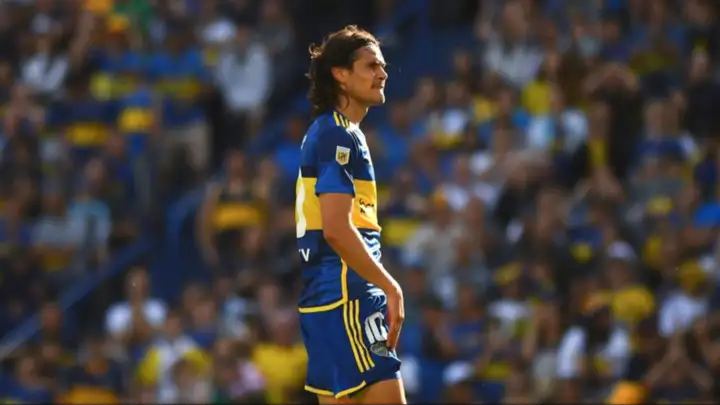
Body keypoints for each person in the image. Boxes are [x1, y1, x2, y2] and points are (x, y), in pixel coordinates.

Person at [295, 25, 406, 404]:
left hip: (326, 301)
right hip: (349, 298)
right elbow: (337, 229)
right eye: (371, 65)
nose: (383, 73)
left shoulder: (330, 132)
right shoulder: (338, 135)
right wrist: (390, 286)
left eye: (383, 65)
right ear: (340, 74)